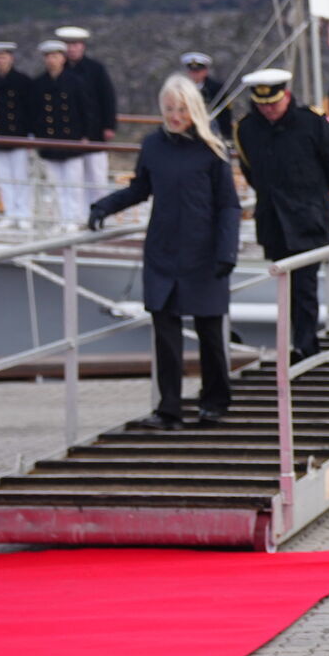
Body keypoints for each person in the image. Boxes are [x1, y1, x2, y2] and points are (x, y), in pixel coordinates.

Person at [89, 76, 241, 431]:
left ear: (195, 109)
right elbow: (141, 188)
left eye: (182, 109)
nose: (175, 115)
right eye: (170, 109)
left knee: (210, 334)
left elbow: (228, 206)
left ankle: (215, 402)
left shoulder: (212, 148)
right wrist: (103, 206)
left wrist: (226, 252)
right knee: (166, 336)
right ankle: (168, 410)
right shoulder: (153, 146)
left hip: (205, 254)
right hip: (163, 253)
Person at [236, 69, 329, 360]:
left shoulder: (312, 122)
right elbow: (251, 171)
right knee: (286, 286)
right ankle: (294, 342)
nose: (268, 109)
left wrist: (312, 194)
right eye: (262, 105)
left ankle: (305, 346)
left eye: (273, 103)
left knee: (305, 286)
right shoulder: (247, 129)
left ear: (286, 95)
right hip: (273, 219)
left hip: (307, 217)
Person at [31, 39, 97, 228]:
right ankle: (60, 219)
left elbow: (86, 110)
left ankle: (73, 218)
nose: (52, 60)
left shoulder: (75, 82)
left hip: (72, 139)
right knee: (56, 184)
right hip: (50, 141)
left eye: (56, 56)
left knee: (73, 183)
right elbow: (35, 112)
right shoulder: (39, 83)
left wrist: (86, 135)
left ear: (62, 58)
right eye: (49, 56)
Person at [58, 26, 117, 204]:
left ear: (82, 46)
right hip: (70, 131)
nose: (71, 49)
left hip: (95, 130)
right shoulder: (60, 70)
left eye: (75, 45)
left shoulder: (95, 69)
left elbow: (107, 97)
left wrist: (109, 126)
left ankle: (99, 212)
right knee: (73, 178)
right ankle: (77, 214)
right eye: (68, 45)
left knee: (96, 177)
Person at [0, 43, 34, 228]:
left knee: (20, 177)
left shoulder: (22, 81)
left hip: (17, 135)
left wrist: (30, 136)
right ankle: (10, 212)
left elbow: (30, 110)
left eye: (3, 57)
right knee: (3, 178)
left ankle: (24, 213)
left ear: (11, 58)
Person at [181, 52, 232, 140]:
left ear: (205, 71)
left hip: (211, 132)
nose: (195, 74)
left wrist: (226, 136)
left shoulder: (216, 88)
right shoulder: (181, 88)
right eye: (192, 71)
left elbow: (225, 114)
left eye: (198, 71)